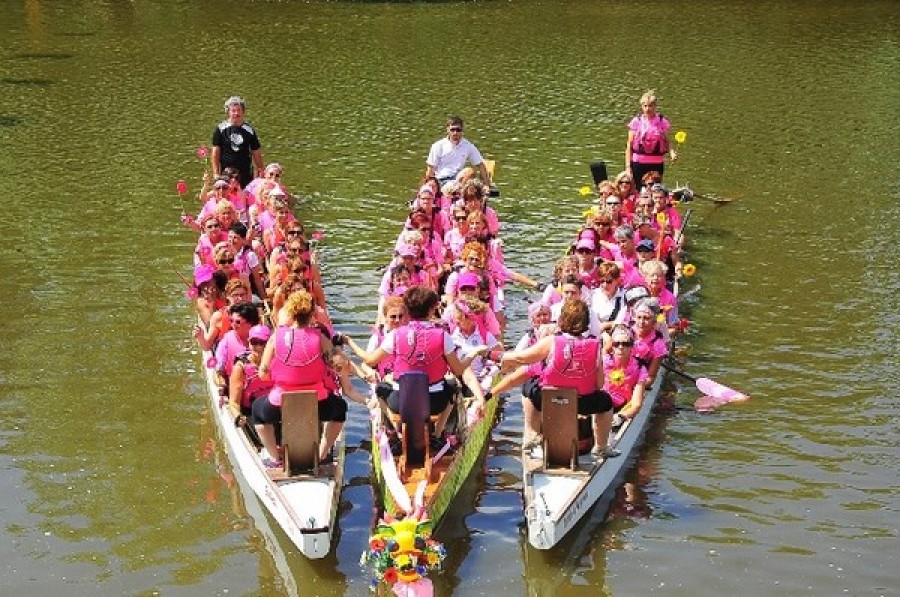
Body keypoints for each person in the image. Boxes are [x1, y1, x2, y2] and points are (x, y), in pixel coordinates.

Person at [348, 286, 487, 445]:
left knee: (380, 389)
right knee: (453, 388)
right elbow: (458, 369)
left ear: (408, 309)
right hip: (434, 402)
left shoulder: (394, 335)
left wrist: (350, 343)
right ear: (431, 310)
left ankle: (399, 432)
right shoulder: (443, 336)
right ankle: (437, 433)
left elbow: (370, 360)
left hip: (401, 402)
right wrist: (474, 353)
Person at [254, 290, 371, 468]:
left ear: (291, 313)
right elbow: (338, 365)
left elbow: (263, 374)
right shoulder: (321, 338)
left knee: (257, 411)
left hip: (280, 402)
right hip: (317, 400)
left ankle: (274, 458)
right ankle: (322, 454)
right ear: (312, 314)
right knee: (340, 408)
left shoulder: (275, 337)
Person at [500, 298, 619, 460]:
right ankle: (601, 446)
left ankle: (532, 435)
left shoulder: (551, 341)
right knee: (605, 402)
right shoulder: (595, 345)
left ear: (562, 320)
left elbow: (522, 358)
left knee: (527, 387)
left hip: (549, 399)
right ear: (586, 323)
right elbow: (599, 384)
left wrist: (503, 357)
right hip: (583, 402)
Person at [625, 90, 677, 191]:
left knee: (655, 190)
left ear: (655, 106)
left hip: (656, 163)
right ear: (641, 107)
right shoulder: (636, 122)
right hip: (638, 163)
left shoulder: (662, 122)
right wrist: (628, 167)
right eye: (645, 106)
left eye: (650, 106)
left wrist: (672, 153)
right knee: (638, 190)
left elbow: (667, 141)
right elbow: (629, 146)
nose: (647, 109)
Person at [212, 96, 264, 189]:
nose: (236, 113)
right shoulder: (221, 129)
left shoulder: (249, 130)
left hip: (245, 172)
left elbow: (256, 151)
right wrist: (215, 173)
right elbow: (215, 152)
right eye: (233, 111)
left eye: (239, 110)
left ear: (243, 112)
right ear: (228, 112)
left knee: (245, 195)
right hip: (226, 172)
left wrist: (261, 170)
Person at [425, 116, 492, 186]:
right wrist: (427, 187)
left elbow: (480, 165)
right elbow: (430, 169)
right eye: (452, 130)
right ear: (447, 130)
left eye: (458, 130)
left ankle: (459, 192)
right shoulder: (438, 146)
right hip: (440, 180)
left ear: (462, 131)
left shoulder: (468, 146)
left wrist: (487, 185)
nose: (455, 133)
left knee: (470, 171)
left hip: (457, 180)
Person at [228, 324, 274, 427]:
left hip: (274, 411)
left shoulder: (277, 363)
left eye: (263, 343)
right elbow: (234, 402)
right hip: (251, 414)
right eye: (254, 342)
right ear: (248, 342)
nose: (258, 347)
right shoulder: (241, 368)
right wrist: (238, 416)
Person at [602, 325, 650, 422]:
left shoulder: (640, 368)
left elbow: (636, 404)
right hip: (601, 404)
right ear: (612, 346)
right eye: (616, 344)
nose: (620, 347)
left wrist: (621, 416)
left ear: (632, 346)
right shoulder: (602, 362)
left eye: (626, 344)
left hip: (621, 408)